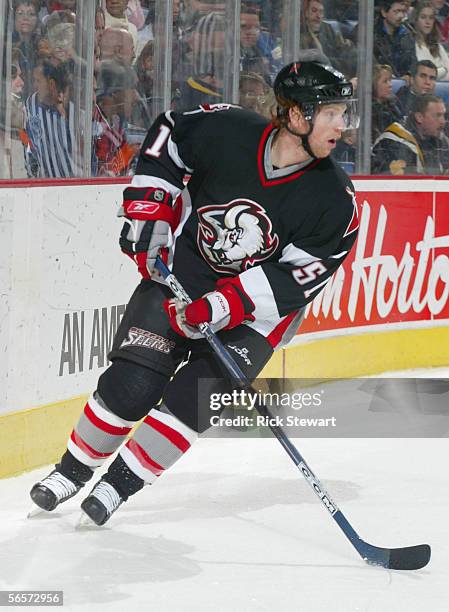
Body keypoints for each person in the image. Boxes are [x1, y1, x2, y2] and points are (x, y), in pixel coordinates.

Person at [29, 53, 360, 526]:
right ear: (294, 114)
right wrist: (150, 208)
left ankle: (117, 487)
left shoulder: (335, 201)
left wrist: (224, 305)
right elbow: (167, 136)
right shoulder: (229, 130)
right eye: (330, 113)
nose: (341, 125)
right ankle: (71, 471)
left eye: (343, 114)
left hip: (255, 316)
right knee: (131, 385)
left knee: (190, 402)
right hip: (181, 278)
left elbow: (300, 277)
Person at [372, 93, 449, 174]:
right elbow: (402, 184)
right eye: (438, 116)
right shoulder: (395, 142)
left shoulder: (440, 138)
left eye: (444, 115)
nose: (443, 121)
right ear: (419, 117)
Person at [300, 0, 357, 78]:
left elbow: (341, 52)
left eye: (321, 12)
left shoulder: (327, 29)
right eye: (314, 11)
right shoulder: (299, 33)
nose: (318, 16)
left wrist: (348, 46)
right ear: (306, 13)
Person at [373, 0, 417, 78]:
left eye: (403, 12)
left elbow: (413, 61)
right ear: (384, 12)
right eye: (397, 11)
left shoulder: (407, 35)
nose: (401, 16)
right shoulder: (371, 33)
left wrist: (409, 74)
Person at [409, 0, 449, 80]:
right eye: (423, 17)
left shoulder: (437, 46)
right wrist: (443, 70)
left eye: (431, 18)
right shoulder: (410, 45)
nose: (428, 22)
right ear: (416, 19)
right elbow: (420, 76)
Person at [371, 63, 403, 141]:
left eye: (390, 80)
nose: (390, 85)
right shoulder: (368, 110)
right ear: (373, 85)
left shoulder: (393, 103)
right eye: (385, 81)